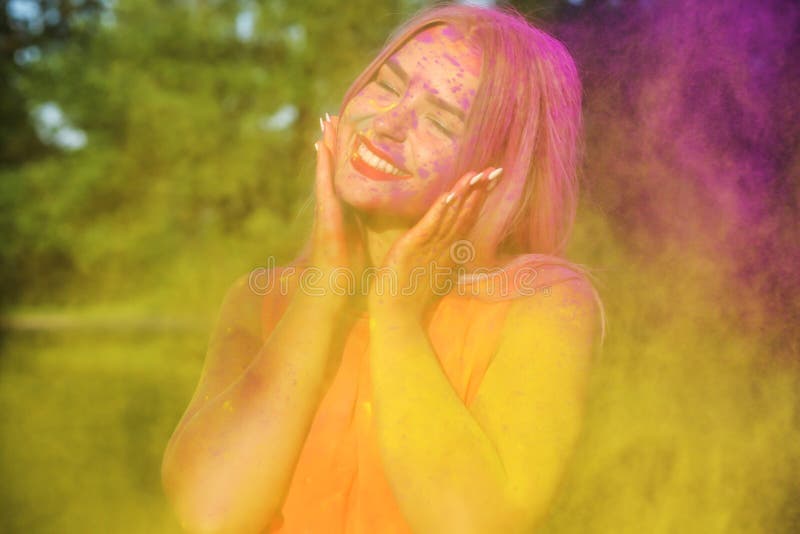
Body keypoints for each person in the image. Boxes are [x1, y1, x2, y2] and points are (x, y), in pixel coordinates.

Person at [161, 4, 606, 533]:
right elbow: (211, 515)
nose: (390, 123)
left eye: (441, 120)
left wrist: (396, 314)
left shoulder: (543, 304)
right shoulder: (258, 299)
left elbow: (470, 524)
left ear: (501, 170)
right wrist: (325, 285)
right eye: (387, 85)